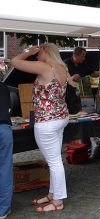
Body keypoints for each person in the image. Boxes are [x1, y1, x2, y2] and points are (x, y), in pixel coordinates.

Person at [11, 43, 69, 212]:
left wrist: (28, 51)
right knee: (55, 160)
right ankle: (53, 194)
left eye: (39, 52)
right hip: (60, 118)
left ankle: (58, 201)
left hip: (47, 121)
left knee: (54, 162)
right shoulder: (62, 67)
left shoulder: (45, 66)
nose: (36, 55)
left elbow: (15, 61)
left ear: (46, 51)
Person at [0, 82, 13, 219]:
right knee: (5, 169)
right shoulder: (3, 87)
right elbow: (9, 108)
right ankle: (3, 210)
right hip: (3, 129)